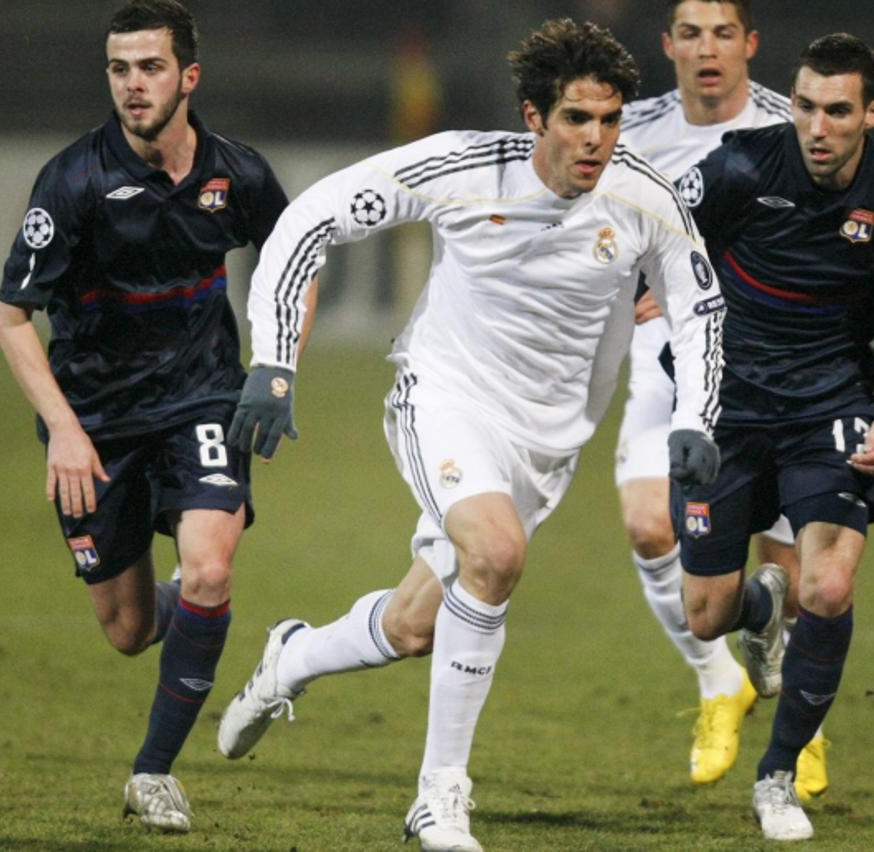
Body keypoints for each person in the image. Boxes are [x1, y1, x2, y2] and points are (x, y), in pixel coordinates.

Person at [215, 19, 725, 852]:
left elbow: (701, 311)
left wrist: (695, 417)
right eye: (575, 119)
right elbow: (308, 221)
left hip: (548, 445)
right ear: (534, 118)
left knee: (418, 625)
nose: (595, 139)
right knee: (495, 554)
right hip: (445, 397)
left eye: (609, 120)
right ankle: (439, 799)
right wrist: (273, 362)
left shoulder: (644, 197)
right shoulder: (462, 166)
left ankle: (292, 657)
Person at [0, 0, 290, 833]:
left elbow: (291, 261)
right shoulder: (74, 181)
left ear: (188, 77)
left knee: (211, 568)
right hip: (95, 422)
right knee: (127, 630)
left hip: (200, 400)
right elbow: (11, 317)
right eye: (120, 68)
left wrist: (275, 364)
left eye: (150, 67)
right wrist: (65, 430)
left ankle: (153, 773)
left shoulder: (240, 174)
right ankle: (195, 611)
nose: (133, 85)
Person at [673, 33, 874, 841]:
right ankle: (759, 601)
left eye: (837, 111)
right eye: (804, 105)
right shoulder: (739, 168)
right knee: (704, 617)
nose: (816, 125)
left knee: (829, 588)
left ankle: (777, 776)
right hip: (725, 407)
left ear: (870, 114)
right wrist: (668, 337)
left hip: (828, 409)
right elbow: (661, 242)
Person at [613, 0, 827, 796]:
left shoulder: (794, 124)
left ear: (750, 45)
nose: (708, 50)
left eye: (724, 33)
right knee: (646, 522)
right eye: (692, 34)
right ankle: (718, 681)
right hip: (664, 358)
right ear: (667, 46)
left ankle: (804, 731)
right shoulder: (628, 127)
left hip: (772, 365)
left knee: (789, 566)